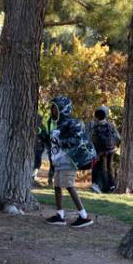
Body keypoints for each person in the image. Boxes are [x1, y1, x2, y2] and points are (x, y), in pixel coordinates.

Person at [44, 96, 95, 228]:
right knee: (57, 186)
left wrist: (61, 142)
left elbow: (77, 140)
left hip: (70, 160)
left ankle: (84, 216)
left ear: (63, 109)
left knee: (68, 185)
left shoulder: (73, 123)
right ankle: (60, 215)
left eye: (55, 108)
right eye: (52, 108)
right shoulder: (55, 123)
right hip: (59, 161)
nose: (52, 110)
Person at [90, 105, 121, 194]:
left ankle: (104, 187)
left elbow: (93, 140)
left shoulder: (95, 126)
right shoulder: (111, 125)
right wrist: (114, 145)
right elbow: (118, 137)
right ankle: (112, 185)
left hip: (101, 152)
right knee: (110, 167)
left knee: (103, 169)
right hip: (111, 150)